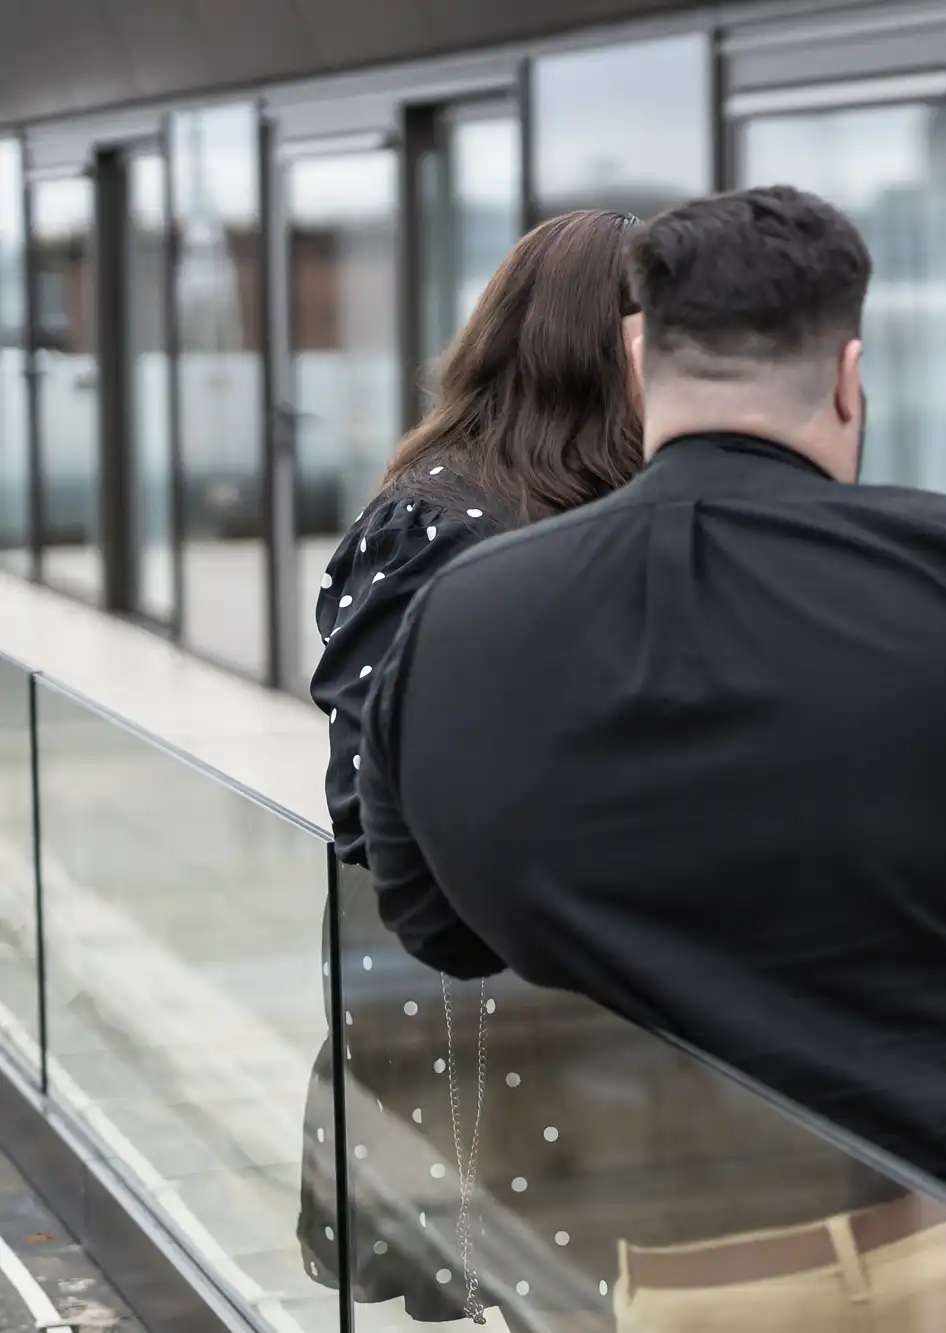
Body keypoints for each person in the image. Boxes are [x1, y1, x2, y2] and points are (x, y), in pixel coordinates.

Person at [353, 184, 946, 1330]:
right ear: (847, 376)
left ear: (641, 362)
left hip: (711, 1285)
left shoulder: (458, 623)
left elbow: (432, 919)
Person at [299, 208, 649, 1325]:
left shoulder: (624, 494)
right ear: (590, 342)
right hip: (490, 1007)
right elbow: (368, 803)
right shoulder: (437, 517)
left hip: (609, 1012)